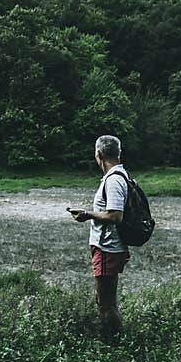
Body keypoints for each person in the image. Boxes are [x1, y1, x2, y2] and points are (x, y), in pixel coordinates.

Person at [68, 135, 130, 338]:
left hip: (107, 248)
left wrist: (87, 214)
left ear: (99, 155)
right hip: (107, 248)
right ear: (118, 153)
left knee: (105, 303)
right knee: (103, 298)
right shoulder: (119, 176)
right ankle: (112, 338)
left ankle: (115, 343)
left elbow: (115, 216)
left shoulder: (114, 181)